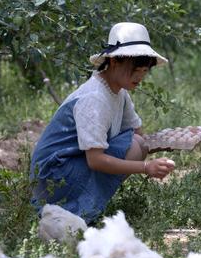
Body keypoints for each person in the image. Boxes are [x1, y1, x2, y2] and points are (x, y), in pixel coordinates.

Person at [30, 22, 175, 224]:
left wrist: (172, 141)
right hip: (54, 177)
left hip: (70, 165)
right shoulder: (94, 98)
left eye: (144, 70)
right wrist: (145, 167)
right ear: (114, 61)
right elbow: (95, 160)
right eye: (135, 69)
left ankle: (86, 205)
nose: (140, 76)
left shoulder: (119, 92)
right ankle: (74, 210)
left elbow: (139, 133)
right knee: (136, 146)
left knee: (138, 143)